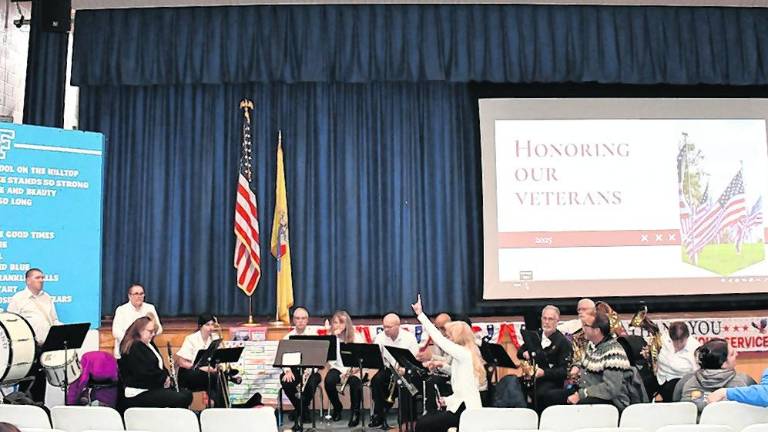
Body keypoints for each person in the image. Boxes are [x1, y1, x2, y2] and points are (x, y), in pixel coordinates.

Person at [412, 294, 485, 432]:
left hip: (465, 411)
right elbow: (460, 382)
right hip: (460, 406)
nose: (448, 337)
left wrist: (421, 315)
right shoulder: (465, 354)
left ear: (457, 337)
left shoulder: (463, 353)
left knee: (423, 424)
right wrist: (447, 400)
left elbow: (439, 339)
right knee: (427, 420)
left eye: (450, 335)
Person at [566, 310, 640, 411]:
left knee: (579, 405)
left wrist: (581, 395)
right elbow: (586, 363)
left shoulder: (613, 352)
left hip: (613, 402)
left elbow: (610, 388)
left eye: (585, 326)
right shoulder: (592, 346)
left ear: (596, 330)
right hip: (589, 391)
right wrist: (577, 368)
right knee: (554, 396)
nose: (582, 329)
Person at [7, 267, 61, 403]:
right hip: (28, 348)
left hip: (46, 346)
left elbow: (53, 319)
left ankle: (39, 407)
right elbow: (11, 323)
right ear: (28, 281)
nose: (41, 280)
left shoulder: (47, 297)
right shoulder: (18, 298)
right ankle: (24, 408)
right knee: (28, 380)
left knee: (41, 379)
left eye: (42, 277)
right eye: (37, 278)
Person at [118, 316, 192, 409]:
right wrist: (164, 379)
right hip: (139, 391)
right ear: (140, 330)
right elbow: (144, 373)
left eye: (154, 331)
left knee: (187, 394)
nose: (153, 334)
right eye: (150, 331)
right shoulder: (134, 347)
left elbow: (159, 365)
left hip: (153, 386)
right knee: (180, 398)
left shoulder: (149, 344)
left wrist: (167, 377)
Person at [516, 305, 572, 412]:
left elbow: (564, 372)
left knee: (540, 394)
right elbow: (519, 352)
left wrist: (544, 373)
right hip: (532, 380)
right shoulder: (535, 335)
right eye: (544, 318)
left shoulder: (563, 343)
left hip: (550, 383)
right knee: (511, 383)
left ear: (557, 321)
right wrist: (525, 353)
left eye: (550, 319)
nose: (546, 322)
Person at [676, 338, 755, 412]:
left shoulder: (686, 382)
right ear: (723, 364)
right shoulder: (745, 381)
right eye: (732, 354)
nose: (737, 354)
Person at [370, 313, 419, 429]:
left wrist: (404, 369)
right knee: (376, 381)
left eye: (389, 327)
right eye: (384, 327)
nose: (386, 330)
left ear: (398, 326)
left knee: (407, 384)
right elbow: (377, 358)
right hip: (388, 369)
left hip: (405, 370)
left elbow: (415, 360)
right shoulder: (380, 337)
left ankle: (405, 419)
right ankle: (380, 414)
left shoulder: (409, 338)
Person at [281, 306, 321, 429]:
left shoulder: (313, 336)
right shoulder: (287, 337)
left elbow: (319, 357)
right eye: (298, 318)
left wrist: (310, 371)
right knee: (285, 381)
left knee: (313, 381)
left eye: (303, 318)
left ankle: (298, 411)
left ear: (307, 320)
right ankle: (303, 411)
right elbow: (282, 358)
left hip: (310, 370)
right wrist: (287, 371)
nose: (300, 321)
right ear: (293, 320)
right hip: (294, 370)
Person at [323, 310, 365, 427]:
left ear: (347, 324)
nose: (338, 326)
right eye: (335, 323)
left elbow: (362, 359)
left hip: (354, 370)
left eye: (342, 323)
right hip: (338, 368)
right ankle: (337, 407)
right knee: (329, 381)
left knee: (355, 383)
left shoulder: (356, 337)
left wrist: (352, 371)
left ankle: (355, 412)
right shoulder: (332, 338)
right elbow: (330, 359)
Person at [174, 313, 225, 407]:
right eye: (207, 325)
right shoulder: (191, 339)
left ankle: (219, 408)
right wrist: (199, 368)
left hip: (207, 372)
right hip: (190, 373)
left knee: (221, 377)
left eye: (212, 325)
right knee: (214, 378)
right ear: (201, 326)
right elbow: (181, 362)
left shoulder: (215, 338)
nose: (210, 328)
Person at [112, 283, 163, 359]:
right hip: (127, 349)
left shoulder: (150, 308)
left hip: (146, 349)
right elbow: (116, 332)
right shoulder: (121, 310)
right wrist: (134, 342)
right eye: (136, 294)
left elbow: (159, 329)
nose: (139, 296)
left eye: (141, 294)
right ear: (129, 296)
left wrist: (149, 333)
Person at [655, 321, 699, 402]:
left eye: (681, 341)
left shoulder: (695, 348)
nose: (678, 345)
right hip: (659, 378)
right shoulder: (664, 338)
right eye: (674, 341)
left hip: (679, 385)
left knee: (661, 398)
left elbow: (697, 375)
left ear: (687, 337)